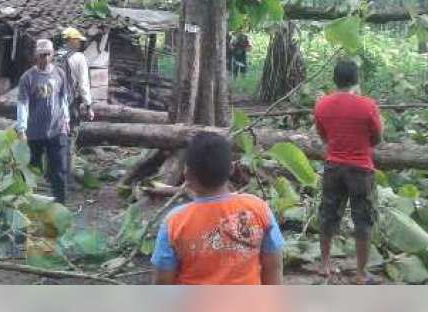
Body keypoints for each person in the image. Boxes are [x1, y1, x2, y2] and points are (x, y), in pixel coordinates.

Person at [151, 132, 285, 285]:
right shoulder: (258, 208)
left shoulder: (174, 222)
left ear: (187, 174)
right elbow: (273, 266)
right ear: (231, 168)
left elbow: (163, 280)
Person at [314, 59, 382, 285]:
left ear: (335, 80)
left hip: (333, 166)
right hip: (361, 169)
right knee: (363, 219)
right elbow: (377, 139)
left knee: (328, 215)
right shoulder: (368, 105)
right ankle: (361, 273)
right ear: (357, 79)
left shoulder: (322, 105)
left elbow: (323, 136)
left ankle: (324, 264)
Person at [16, 38, 70, 204]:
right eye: (41, 55)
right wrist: (22, 128)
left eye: (48, 55)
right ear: (36, 56)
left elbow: (64, 98)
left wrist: (66, 120)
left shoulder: (60, 73)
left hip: (57, 129)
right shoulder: (28, 78)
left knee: (59, 170)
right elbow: (23, 104)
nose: (45, 58)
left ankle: (60, 206)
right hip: (34, 132)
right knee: (32, 169)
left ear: (52, 54)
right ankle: (28, 204)